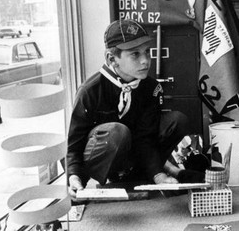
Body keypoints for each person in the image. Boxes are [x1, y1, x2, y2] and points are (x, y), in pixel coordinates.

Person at [67, 19, 200, 197]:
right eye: (135, 54)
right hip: (102, 155)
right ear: (111, 58)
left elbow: (146, 137)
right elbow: (75, 143)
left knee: (177, 120)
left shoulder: (150, 88)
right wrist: (75, 177)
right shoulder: (90, 91)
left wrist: (158, 175)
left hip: (133, 152)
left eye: (147, 52)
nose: (145, 61)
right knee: (117, 132)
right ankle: (105, 181)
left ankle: (140, 174)